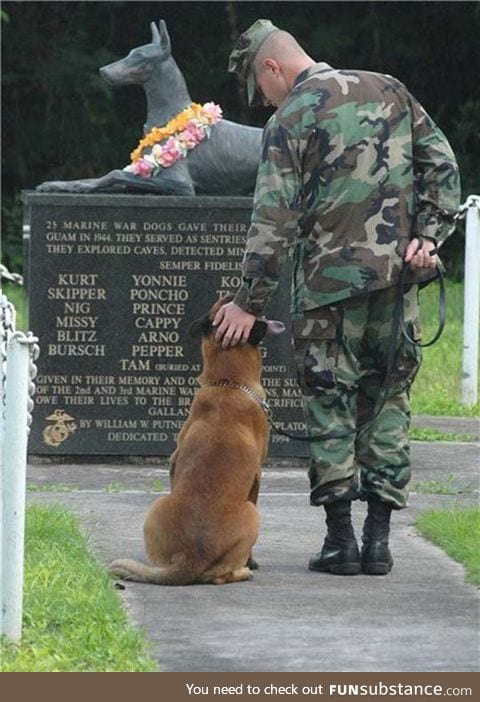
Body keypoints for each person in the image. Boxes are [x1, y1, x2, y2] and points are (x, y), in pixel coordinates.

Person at [213, 19, 461, 576]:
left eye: (261, 88)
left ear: (271, 67)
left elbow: (272, 219)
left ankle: (340, 543)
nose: (264, 101)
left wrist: (248, 301)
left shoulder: (290, 119)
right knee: (388, 402)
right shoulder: (390, 88)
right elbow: (441, 166)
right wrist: (429, 235)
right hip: (396, 286)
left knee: (331, 406)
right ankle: (379, 542)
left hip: (326, 294)